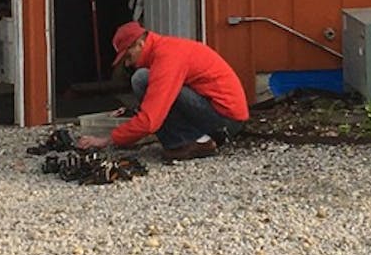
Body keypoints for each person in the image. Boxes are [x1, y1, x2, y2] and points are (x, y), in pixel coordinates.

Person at [76, 21, 249, 159]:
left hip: (226, 121)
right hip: (220, 112)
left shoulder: (167, 58)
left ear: (140, 43)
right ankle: (193, 139)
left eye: (128, 56)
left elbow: (151, 120)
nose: (128, 63)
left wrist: (107, 140)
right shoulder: (166, 49)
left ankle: (195, 142)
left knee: (143, 80)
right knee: (146, 80)